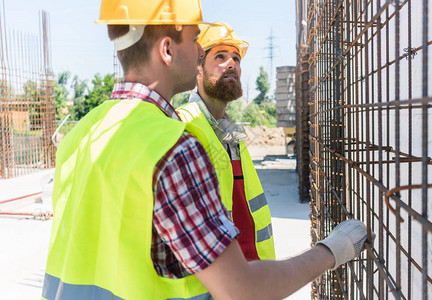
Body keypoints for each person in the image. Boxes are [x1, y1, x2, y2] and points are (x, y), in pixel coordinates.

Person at [42, 1, 372, 299]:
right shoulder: (173, 145)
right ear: (167, 49)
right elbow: (240, 289)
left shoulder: (81, 132)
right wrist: (333, 250)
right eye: (193, 38)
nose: (199, 49)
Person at [177, 22, 275, 262]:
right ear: (197, 69)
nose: (232, 63)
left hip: (254, 274)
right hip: (219, 281)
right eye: (219, 56)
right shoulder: (182, 126)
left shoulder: (232, 134)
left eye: (236, 59)